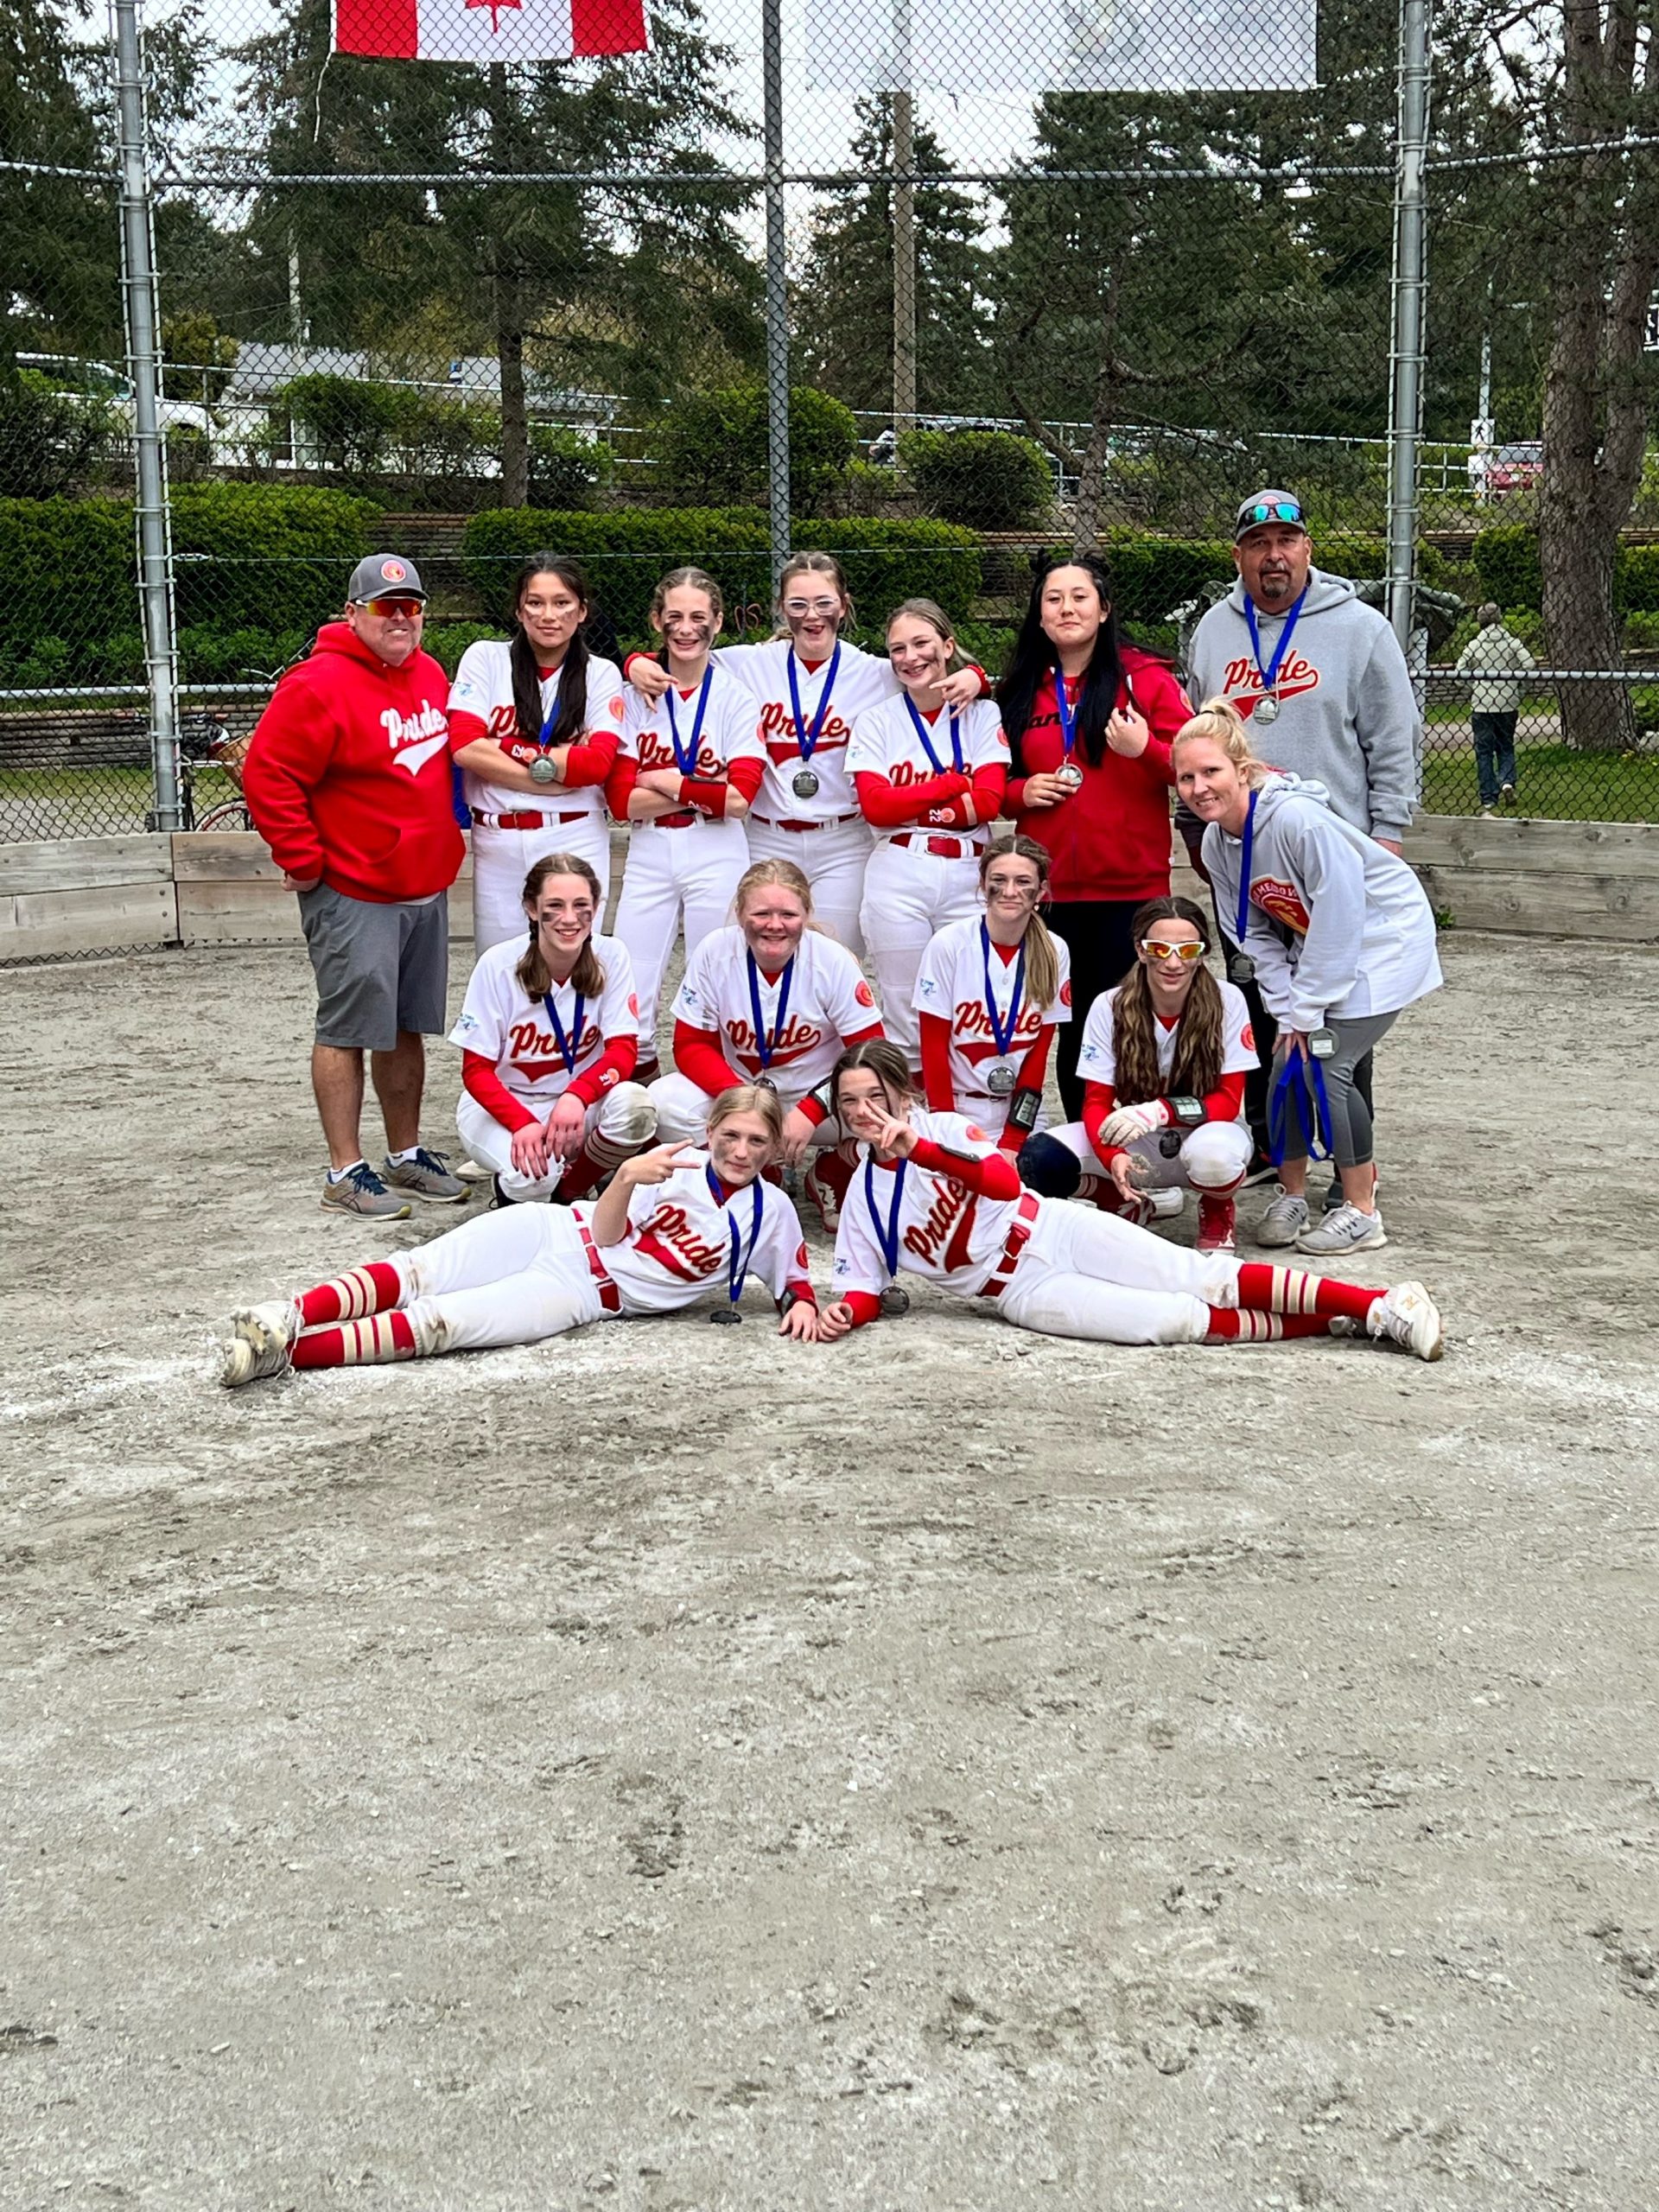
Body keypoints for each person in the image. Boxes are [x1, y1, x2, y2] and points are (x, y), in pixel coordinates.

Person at [813, 1042, 1442, 1357]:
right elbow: (863, 1287)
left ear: (904, 1095)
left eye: (876, 1096)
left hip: (1050, 1228)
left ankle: (1379, 1304)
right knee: (1172, 1322)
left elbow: (1004, 1184)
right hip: (1017, 1291)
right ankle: (1337, 1320)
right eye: (849, 1102)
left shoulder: (943, 1130)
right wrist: (846, 1314)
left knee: (1201, 1276)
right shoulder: (863, 1196)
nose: (864, 1112)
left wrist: (920, 1149)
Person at [219, 1084, 825, 1385]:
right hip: (554, 1229)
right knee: (418, 1271)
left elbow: (794, 1282)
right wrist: (626, 1177)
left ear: (775, 1147)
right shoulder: (672, 1164)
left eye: (757, 1141)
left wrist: (800, 1304)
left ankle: (284, 1356)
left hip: (582, 1294)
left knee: (442, 1324)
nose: (740, 1151)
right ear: (710, 1130)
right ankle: (292, 1313)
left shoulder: (772, 1211)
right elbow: (607, 1231)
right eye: (730, 1135)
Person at [1183, 490, 1422, 1183]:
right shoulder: (1214, 630)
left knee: (1339, 1020)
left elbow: (1394, 737)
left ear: (1307, 549)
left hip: (1332, 856)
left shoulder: (1359, 628)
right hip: (1248, 858)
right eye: (1258, 545)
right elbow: (1200, 735)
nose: (1273, 556)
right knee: (1263, 1000)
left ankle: (1353, 1170)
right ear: (1238, 557)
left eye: (1286, 541)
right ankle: (1274, 1153)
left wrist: (1388, 833)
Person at [1173, 699, 1443, 1257]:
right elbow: (1250, 933)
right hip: (1322, 946)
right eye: (1186, 777)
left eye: (1211, 771)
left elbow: (1341, 915)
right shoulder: (1219, 842)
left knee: (1328, 1065)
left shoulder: (1297, 820)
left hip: (1383, 941)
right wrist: (1284, 1007)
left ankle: (1362, 1211)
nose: (1199, 788)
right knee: (1284, 1064)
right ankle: (1292, 1196)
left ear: (1243, 770)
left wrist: (1307, 1007)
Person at [243, 551, 467, 1219]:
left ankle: (404, 1154)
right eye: (384, 607)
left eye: (411, 607)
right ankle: (344, 1171)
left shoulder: (429, 672)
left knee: (405, 1027)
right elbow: (268, 775)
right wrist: (305, 860)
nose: (400, 618)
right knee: (346, 1027)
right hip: (355, 888)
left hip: (421, 886)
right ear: (352, 613)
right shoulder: (316, 684)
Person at [626, 551, 987, 953]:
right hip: (766, 835)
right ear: (782, 609)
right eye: (798, 604)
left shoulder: (875, 672)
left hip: (843, 841)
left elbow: (930, 673)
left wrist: (976, 677)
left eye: (824, 603)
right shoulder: (749, 663)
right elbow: (686, 654)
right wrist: (635, 662)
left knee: (836, 958)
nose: (812, 615)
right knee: (763, 954)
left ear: (843, 605)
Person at [997, 554, 1192, 1121]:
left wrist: (1145, 750)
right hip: (1051, 894)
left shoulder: (1144, 679)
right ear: (1039, 615)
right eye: (1053, 599)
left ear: (1104, 609)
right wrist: (1021, 792)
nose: (1067, 609)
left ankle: (1140, 1139)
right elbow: (992, 782)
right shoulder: (1020, 688)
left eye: (1080, 597)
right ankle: (1088, 1140)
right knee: (1070, 1025)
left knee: (1131, 1024)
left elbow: (1193, 770)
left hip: (1130, 890)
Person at [649, 857, 884, 1229]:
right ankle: (756, 1173)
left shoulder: (831, 960)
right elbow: (690, 1044)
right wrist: (743, 1103)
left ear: (806, 914)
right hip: (738, 1089)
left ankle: (832, 1170)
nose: (775, 925)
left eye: (788, 914)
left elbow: (872, 1055)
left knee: (898, 1115)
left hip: (817, 1100)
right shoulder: (715, 951)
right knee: (662, 1103)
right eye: (761, 913)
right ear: (740, 913)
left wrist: (812, 1109)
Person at [1016, 894, 1257, 1254]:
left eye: (1187, 950)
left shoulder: (1228, 1000)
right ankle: (1119, 1198)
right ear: (1140, 951)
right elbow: (1096, 1101)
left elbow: (1228, 1099)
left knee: (1216, 1159)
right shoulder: (1110, 1004)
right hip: (1137, 1137)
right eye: (1159, 949)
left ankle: (1217, 1208)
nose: (1173, 963)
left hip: (1205, 1130)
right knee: (1039, 1159)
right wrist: (1111, 1154)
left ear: (1203, 954)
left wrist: (1160, 1111)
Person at [607, 568, 766, 1083]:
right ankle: (638, 1087)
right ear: (657, 621)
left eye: (699, 616)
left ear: (718, 622)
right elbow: (621, 802)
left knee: (715, 970)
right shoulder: (635, 694)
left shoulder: (735, 696)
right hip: (651, 848)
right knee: (632, 972)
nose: (686, 627)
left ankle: (717, 1088)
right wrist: (701, 789)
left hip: (717, 848)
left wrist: (666, 780)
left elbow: (740, 799)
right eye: (673, 616)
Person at [846, 598, 1009, 1068]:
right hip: (900, 867)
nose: (910, 657)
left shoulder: (981, 713)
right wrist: (951, 786)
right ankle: (914, 1106)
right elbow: (877, 808)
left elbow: (989, 802)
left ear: (948, 646)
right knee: (904, 1007)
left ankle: (968, 1102)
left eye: (921, 643)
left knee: (972, 998)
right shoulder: (877, 719)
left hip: (969, 869)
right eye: (897, 648)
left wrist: (915, 805)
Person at [448, 853, 657, 1207]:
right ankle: (517, 1197)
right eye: (555, 906)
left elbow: (623, 1050)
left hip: (578, 1101)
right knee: (532, 1175)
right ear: (532, 909)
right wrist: (521, 1123)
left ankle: (571, 1191)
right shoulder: (498, 964)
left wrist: (578, 1095)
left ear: (596, 907)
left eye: (581, 905)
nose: (570, 918)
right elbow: (476, 1070)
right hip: (507, 1101)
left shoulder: (611, 954)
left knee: (637, 1107)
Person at [446, 554, 626, 952]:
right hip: (498, 840)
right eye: (535, 602)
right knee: (500, 964)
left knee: (576, 961)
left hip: (574, 834)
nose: (548, 615)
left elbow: (595, 764)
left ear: (582, 611)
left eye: (562, 603)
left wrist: (502, 746)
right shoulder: (485, 658)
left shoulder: (600, 673)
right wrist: (553, 772)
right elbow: (465, 746)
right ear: (518, 610)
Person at [912, 837, 1071, 1155]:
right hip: (957, 1106)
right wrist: (947, 1128)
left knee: (1042, 1168)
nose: (1010, 891)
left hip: (1017, 1110)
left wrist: (1013, 1139)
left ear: (1041, 891)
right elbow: (933, 1046)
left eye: (1023, 882)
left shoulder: (1055, 949)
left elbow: (1039, 1053)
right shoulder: (949, 944)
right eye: (999, 880)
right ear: (983, 886)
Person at [1456, 602, 1535, 812]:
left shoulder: (1475, 645)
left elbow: (1460, 670)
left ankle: (1489, 797)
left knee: (1484, 751)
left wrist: (1472, 689)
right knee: (1505, 745)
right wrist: (1519, 688)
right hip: (1507, 702)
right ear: (1499, 618)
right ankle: (1507, 781)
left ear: (1479, 620)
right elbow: (1529, 664)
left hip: (1482, 703)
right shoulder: (1511, 642)